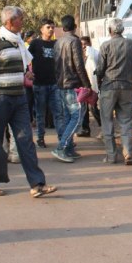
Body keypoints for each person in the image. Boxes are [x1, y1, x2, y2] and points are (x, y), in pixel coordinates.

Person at [0, 6, 56, 198]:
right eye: (20, 19)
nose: (23, 21)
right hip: (0, 100)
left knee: (25, 141)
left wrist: (25, 73)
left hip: (19, 98)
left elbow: (20, 67)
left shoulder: (18, 42)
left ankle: (37, 184)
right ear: (9, 22)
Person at [96, 18, 132, 165]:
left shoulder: (105, 46)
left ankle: (111, 156)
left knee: (107, 121)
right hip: (127, 87)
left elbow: (100, 69)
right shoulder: (131, 44)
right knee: (126, 121)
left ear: (110, 30)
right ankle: (128, 152)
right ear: (122, 30)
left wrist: (99, 83)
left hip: (108, 87)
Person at [52, 15, 91, 163]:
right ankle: (61, 147)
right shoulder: (74, 41)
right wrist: (86, 84)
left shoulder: (58, 42)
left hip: (61, 84)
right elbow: (79, 65)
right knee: (77, 117)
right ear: (74, 27)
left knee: (69, 117)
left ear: (63, 28)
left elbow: (55, 65)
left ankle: (68, 149)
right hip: (73, 85)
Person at [28, 18, 63, 149]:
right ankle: (40, 138)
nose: (51, 29)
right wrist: (28, 71)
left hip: (54, 84)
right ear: (41, 29)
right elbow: (25, 58)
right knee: (40, 113)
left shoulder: (56, 43)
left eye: (53, 27)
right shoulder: (35, 43)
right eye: (48, 27)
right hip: (39, 84)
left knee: (58, 112)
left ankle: (62, 138)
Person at [80, 35, 102, 137]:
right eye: (82, 44)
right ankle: (85, 130)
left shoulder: (94, 53)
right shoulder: (79, 56)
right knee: (83, 109)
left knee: (93, 108)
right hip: (83, 86)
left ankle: (103, 126)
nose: (84, 46)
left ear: (90, 44)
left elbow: (96, 66)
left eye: (86, 44)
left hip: (93, 85)